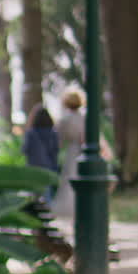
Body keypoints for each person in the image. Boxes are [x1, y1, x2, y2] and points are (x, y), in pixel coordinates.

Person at [52, 90, 86, 219]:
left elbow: (59, 140)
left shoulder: (65, 119)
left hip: (72, 151)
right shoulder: (84, 117)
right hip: (81, 149)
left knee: (70, 177)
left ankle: (69, 209)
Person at [22, 104, 61, 202]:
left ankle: (34, 211)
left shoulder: (31, 133)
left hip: (33, 166)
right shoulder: (53, 133)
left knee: (33, 191)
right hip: (48, 166)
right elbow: (55, 150)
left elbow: (25, 149)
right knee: (47, 192)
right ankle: (49, 209)